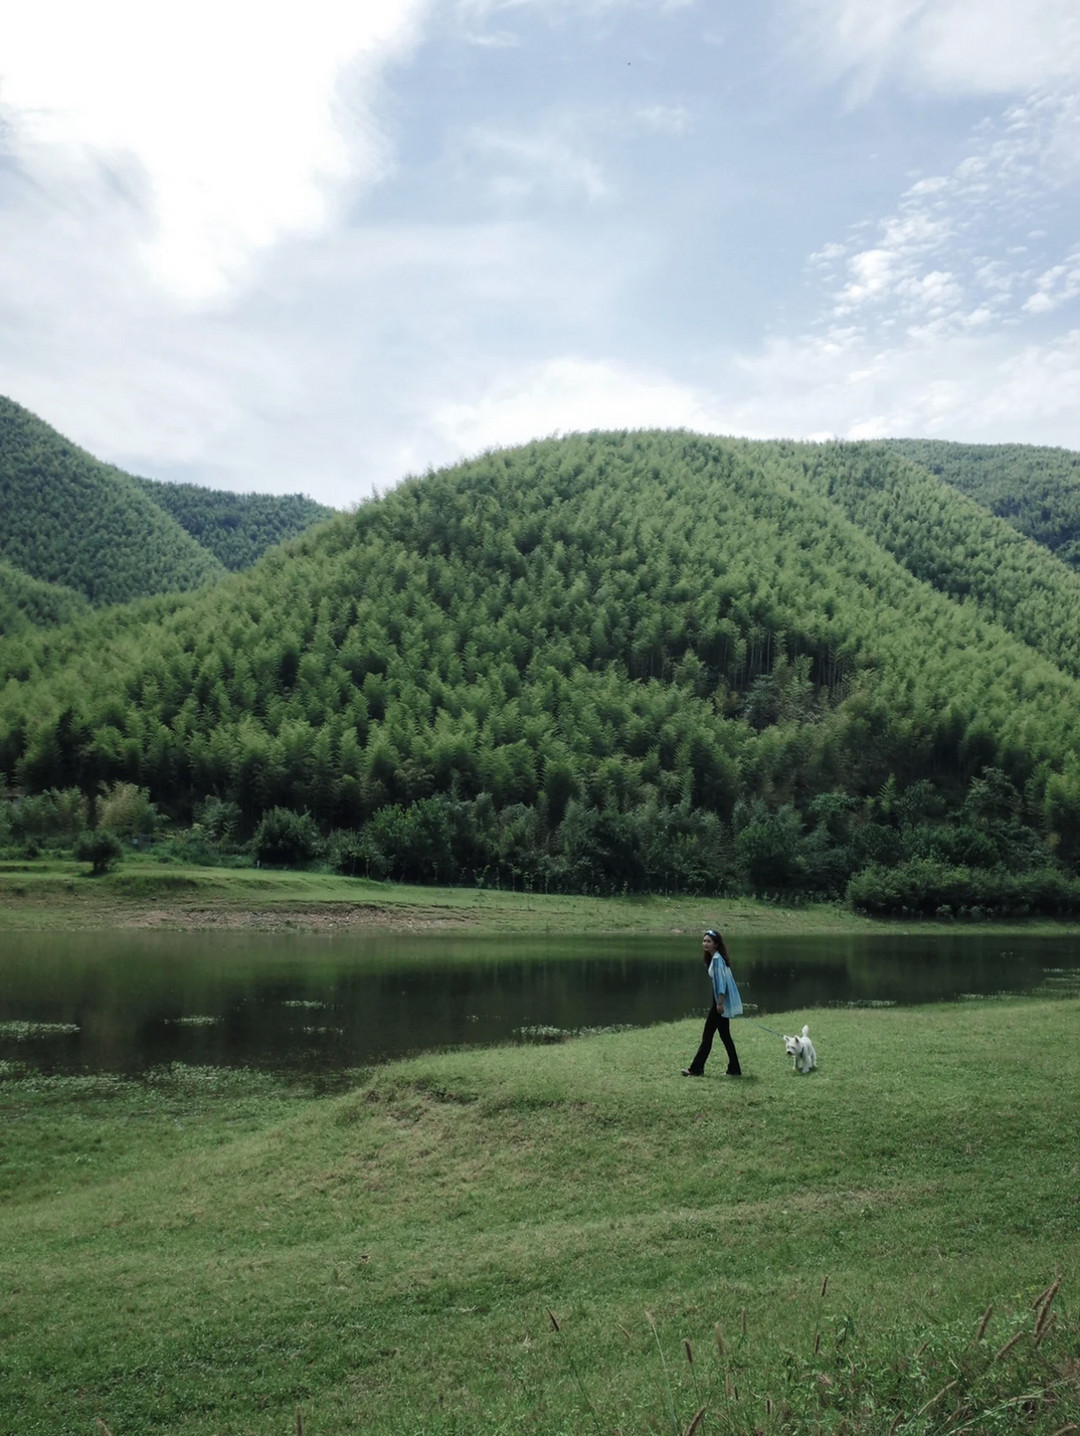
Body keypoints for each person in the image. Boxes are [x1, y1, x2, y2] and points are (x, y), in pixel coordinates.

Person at [682, 928, 743, 1077]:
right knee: (725, 1037)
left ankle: (696, 1069)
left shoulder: (716, 960)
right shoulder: (717, 958)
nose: (705, 944)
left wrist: (720, 1003)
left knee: (707, 1036)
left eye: (709, 941)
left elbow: (721, 984)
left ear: (716, 944)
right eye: (704, 941)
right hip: (717, 1001)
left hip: (718, 1003)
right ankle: (735, 1069)